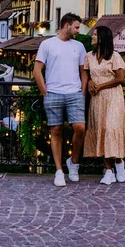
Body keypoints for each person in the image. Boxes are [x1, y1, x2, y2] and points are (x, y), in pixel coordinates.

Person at [33, 13, 88, 187]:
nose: (79, 30)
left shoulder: (79, 46)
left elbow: (84, 71)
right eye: (77, 27)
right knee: (55, 131)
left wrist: (82, 92)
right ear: (66, 26)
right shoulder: (47, 44)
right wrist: (45, 93)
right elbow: (37, 70)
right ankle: (58, 171)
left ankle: (73, 162)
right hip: (53, 93)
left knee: (80, 128)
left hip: (74, 93)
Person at [83, 25, 125, 185]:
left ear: (102, 38)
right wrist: (89, 83)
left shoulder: (114, 56)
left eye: (95, 35)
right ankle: (108, 170)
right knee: (101, 130)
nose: (92, 37)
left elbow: (121, 78)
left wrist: (100, 86)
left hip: (113, 97)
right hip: (97, 99)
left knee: (111, 128)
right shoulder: (89, 56)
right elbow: (87, 75)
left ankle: (119, 162)